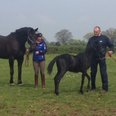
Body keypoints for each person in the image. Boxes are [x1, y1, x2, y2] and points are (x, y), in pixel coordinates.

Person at [87, 26, 114, 92]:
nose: (95, 33)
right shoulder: (91, 39)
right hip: (93, 59)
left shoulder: (104, 38)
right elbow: (87, 49)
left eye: (96, 31)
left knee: (103, 73)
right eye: (94, 31)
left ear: (100, 31)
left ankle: (105, 88)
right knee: (93, 73)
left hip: (102, 58)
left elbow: (111, 45)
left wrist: (111, 50)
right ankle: (93, 88)